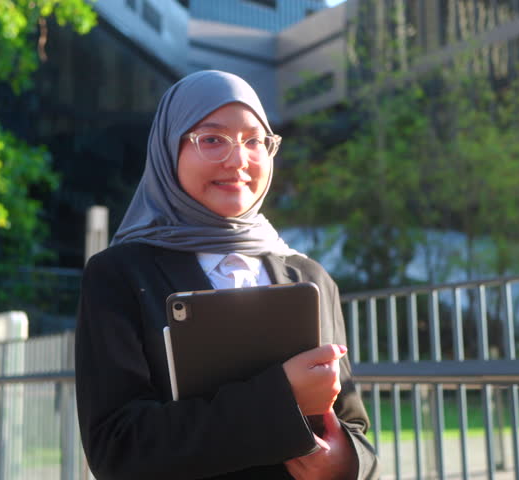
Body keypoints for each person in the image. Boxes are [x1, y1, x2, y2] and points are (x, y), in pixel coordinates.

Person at [75, 70, 378, 479]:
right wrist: (282, 398)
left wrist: (344, 461)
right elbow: (118, 450)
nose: (238, 160)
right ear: (169, 149)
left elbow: (352, 427)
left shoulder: (308, 276)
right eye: (212, 139)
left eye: (255, 141)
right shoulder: (120, 275)